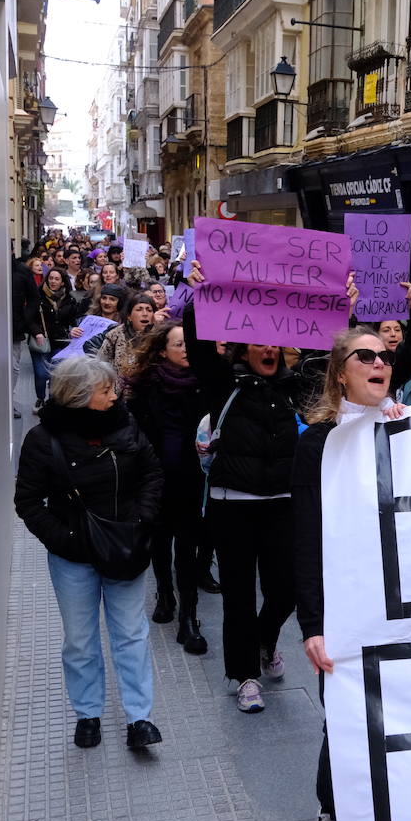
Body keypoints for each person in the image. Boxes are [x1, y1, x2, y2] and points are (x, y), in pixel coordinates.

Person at [293, 327, 408, 821]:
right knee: (344, 716)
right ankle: (333, 811)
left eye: (385, 356)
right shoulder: (318, 444)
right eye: (366, 355)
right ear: (341, 373)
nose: (379, 362)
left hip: (401, 604)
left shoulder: (410, 431)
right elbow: (305, 537)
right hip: (346, 607)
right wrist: (312, 624)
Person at [13, 357, 164, 751]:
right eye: (106, 390)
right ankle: (87, 714)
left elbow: (151, 473)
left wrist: (141, 519)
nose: (115, 396)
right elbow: (28, 502)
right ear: (79, 396)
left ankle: (140, 718)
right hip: (74, 557)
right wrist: (66, 540)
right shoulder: (44, 439)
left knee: (131, 634)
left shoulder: (126, 424)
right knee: (80, 640)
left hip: (125, 547)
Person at [181, 299, 311, 714]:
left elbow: (335, 357)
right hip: (232, 507)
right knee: (238, 596)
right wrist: (198, 298)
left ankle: (264, 639)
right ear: (243, 348)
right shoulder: (223, 383)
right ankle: (245, 676)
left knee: (287, 589)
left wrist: (344, 311)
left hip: (283, 506)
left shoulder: (296, 388)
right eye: (258, 342)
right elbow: (198, 346)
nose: (268, 349)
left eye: (275, 343)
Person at [126, 321, 210, 654]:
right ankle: (165, 594)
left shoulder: (205, 385)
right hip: (155, 481)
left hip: (192, 480)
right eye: (179, 344)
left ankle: (189, 617)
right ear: (162, 351)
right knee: (159, 543)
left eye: (190, 343)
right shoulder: (144, 387)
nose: (186, 349)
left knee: (187, 549)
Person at [26, 267, 82, 413]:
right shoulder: (37, 296)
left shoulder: (69, 299)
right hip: (41, 342)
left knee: (55, 374)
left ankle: (51, 402)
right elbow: (29, 318)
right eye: (51, 278)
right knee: (41, 374)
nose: (53, 281)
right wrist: (37, 332)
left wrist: (73, 329)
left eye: (57, 279)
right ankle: (40, 398)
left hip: (60, 341)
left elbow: (73, 320)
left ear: (63, 282)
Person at [11, 250, 41, 418]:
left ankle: (9, 401)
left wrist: (24, 321)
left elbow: (34, 299)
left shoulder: (22, 271)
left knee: (13, 367)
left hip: (14, 328)